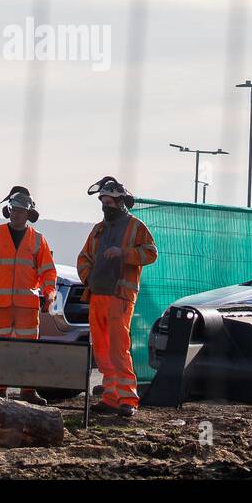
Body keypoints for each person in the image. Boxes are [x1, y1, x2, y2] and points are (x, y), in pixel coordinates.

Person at [0, 185, 58, 405]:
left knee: (29, 349)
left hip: (27, 305)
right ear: (8, 211)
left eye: (20, 210)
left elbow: (47, 271)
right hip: (0, 304)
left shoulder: (38, 239)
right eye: (13, 209)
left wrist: (49, 294)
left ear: (29, 214)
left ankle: (28, 390)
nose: (15, 213)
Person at [77, 176, 157, 418]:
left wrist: (123, 253)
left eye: (109, 201)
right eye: (103, 201)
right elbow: (84, 259)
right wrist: (88, 278)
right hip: (97, 295)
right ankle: (111, 397)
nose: (105, 206)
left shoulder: (135, 227)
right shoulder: (99, 229)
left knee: (118, 348)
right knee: (102, 349)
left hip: (120, 296)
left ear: (121, 201)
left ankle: (128, 399)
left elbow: (151, 253)